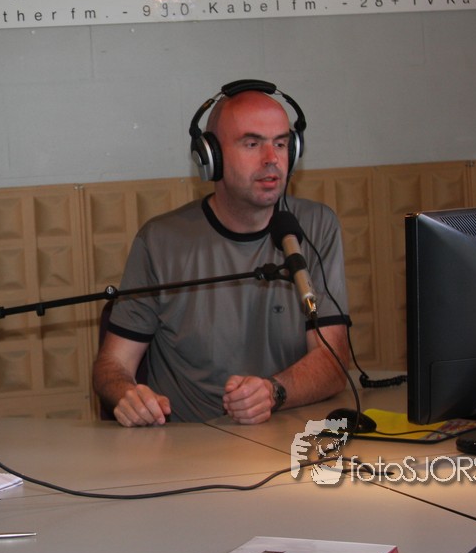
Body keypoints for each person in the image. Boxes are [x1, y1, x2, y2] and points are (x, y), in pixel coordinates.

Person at [92, 84, 351, 427]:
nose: (271, 158)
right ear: (210, 157)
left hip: (286, 437)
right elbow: (113, 365)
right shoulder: (160, 241)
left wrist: (273, 392)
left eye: (281, 143)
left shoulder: (316, 227)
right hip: (187, 442)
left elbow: (333, 361)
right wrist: (126, 394)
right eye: (252, 144)